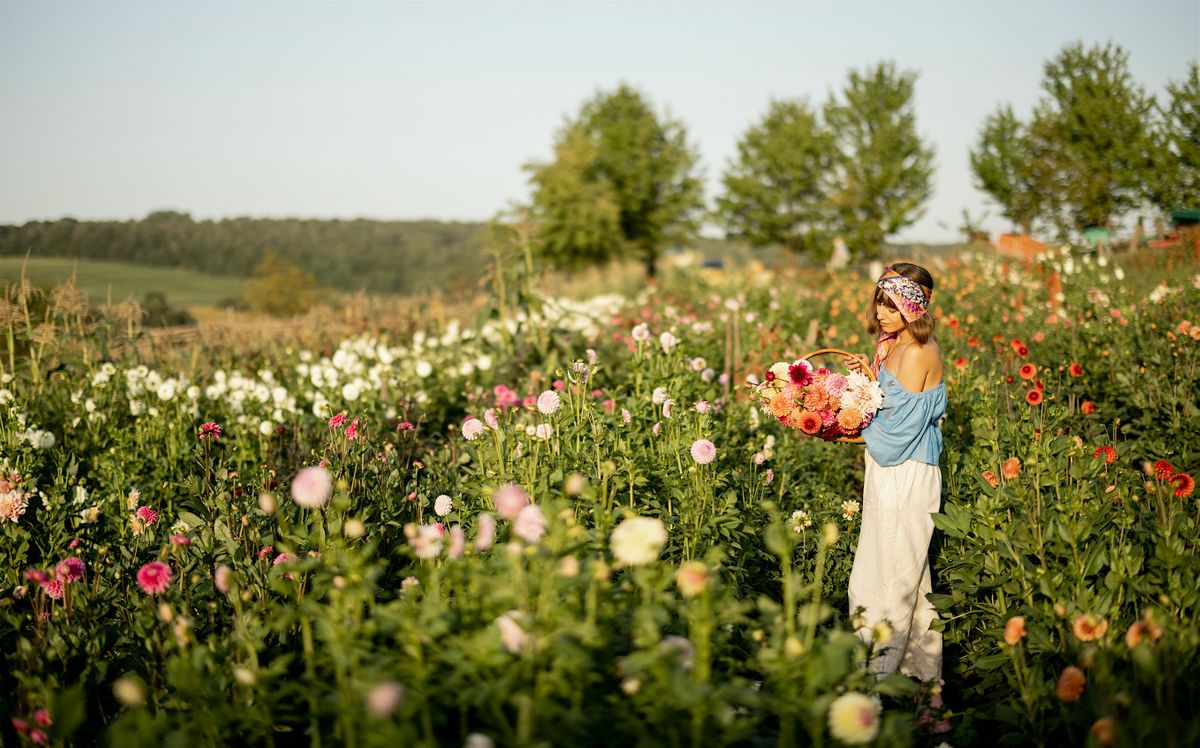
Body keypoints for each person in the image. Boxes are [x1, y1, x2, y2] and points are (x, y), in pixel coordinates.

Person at [843, 262, 945, 681]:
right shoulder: (894, 346)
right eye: (879, 303)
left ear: (913, 306)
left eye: (891, 305)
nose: (881, 313)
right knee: (911, 582)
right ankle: (923, 685)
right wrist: (865, 381)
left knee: (882, 580)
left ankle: (873, 683)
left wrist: (847, 421)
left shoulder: (920, 350)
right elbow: (891, 405)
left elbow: (896, 432)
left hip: (904, 471)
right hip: (892, 468)